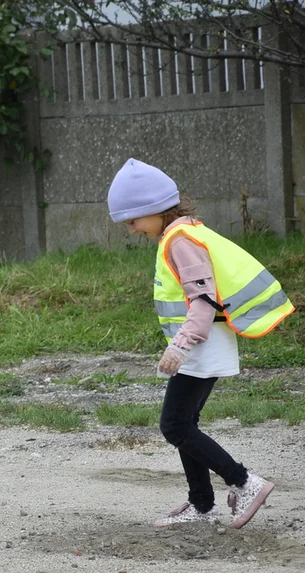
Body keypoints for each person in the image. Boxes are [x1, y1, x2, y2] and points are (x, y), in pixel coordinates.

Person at [107, 158, 295, 528]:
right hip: (201, 343)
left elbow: (203, 301)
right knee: (185, 423)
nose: (131, 230)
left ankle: (244, 482)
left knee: (174, 426)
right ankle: (202, 503)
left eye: (133, 221)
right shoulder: (183, 234)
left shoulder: (181, 242)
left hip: (199, 344)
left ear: (155, 209)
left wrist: (180, 345)